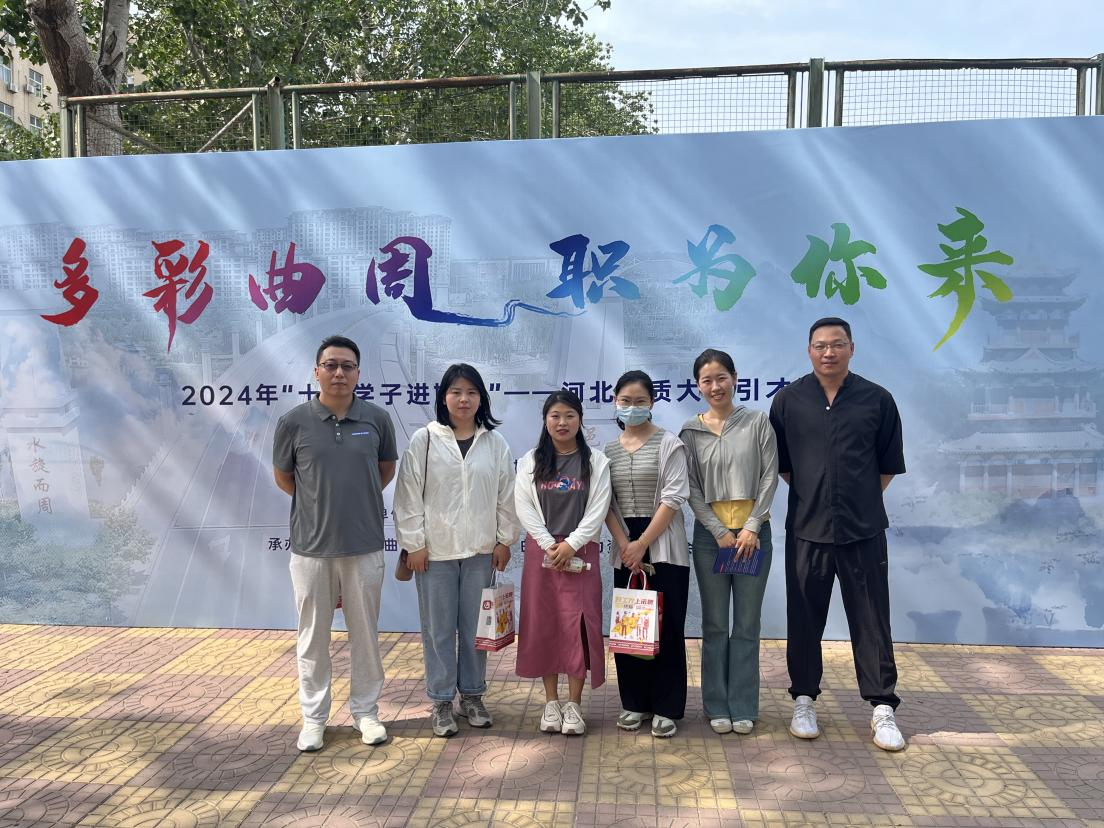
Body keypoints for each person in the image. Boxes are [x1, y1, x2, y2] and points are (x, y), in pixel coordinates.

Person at [768, 317, 907, 752]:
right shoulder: (788, 401)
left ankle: (882, 707)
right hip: (807, 530)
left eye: (837, 344)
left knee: (871, 619)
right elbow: (784, 466)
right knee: (804, 618)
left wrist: (855, 499)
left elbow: (887, 466)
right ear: (809, 350)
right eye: (820, 345)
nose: (828, 352)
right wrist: (820, 498)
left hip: (863, 530)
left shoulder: (877, 400)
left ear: (851, 348)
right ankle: (804, 700)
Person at [272, 335, 397, 752]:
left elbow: (384, 470)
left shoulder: (377, 419)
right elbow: (285, 478)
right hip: (311, 548)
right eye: (331, 365)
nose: (339, 373)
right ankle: (314, 718)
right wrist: (319, 505)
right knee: (312, 636)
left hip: (364, 544)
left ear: (358, 373)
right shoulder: (293, 422)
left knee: (365, 635)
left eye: (347, 366)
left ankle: (366, 712)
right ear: (317, 372)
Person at [393, 363, 518, 737]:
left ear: (481, 399)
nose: (464, 399)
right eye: (456, 392)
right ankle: (442, 701)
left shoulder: (494, 443)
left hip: (481, 551)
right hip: (434, 554)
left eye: (471, 392)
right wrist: (414, 544)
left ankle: (473, 696)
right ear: (443, 398)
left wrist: (504, 540)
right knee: (439, 630)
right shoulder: (425, 440)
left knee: (476, 629)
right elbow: (407, 496)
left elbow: (507, 496)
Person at [679, 348, 778, 736]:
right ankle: (716, 704)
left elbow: (769, 476)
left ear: (735, 379)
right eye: (707, 380)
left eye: (721, 377)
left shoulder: (757, 422)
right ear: (698, 386)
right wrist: (718, 530)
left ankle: (743, 705)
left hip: (753, 537)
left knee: (747, 624)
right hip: (711, 539)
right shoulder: (691, 432)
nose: (715, 386)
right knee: (716, 624)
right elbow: (690, 487)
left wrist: (751, 526)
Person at [514, 389, 612, 736]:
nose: (562, 422)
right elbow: (523, 505)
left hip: (580, 553)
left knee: (578, 626)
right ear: (545, 420)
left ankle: (574, 704)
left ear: (580, 420)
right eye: (555, 415)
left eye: (570, 415)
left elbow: (599, 507)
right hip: (542, 554)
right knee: (545, 624)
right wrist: (548, 544)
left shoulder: (596, 462)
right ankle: (551, 702)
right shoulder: (530, 461)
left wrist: (571, 544)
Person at [603, 370, 691, 738]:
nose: (632, 407)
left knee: (667, 628)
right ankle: (634, 702)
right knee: (630, 625)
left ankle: (667, 707)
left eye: (640, 401)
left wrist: (642, 544)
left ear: (652, 403)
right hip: (624, 546)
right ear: (615, 402)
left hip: (664, 546)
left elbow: (674, 497)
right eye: (626, 401)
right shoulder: (607, 452)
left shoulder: (670, 443)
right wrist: (626, 545)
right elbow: (604, 503)